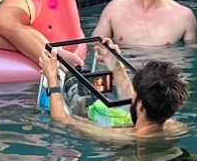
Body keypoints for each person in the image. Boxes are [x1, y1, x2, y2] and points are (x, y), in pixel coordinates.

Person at [43, 51, 189, 144]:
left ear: (141, 106)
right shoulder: (176, 127)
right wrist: (116, 65)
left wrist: (52, 78)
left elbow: (62, 119)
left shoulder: (121, 136)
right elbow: (146, 103)